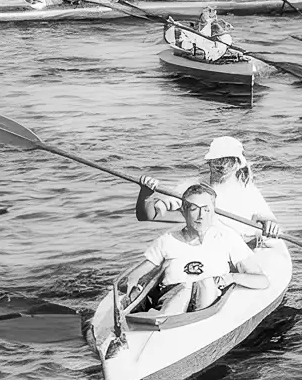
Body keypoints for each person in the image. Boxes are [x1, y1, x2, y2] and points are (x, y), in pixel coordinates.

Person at [117, 183, 272, 318]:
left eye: (206, 209)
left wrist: (231, 277)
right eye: (194, 209)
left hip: (208, 301)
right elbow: (134, 276)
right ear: (183, 211)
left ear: (213, 212)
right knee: (184, 290)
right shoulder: (167, 241)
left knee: (206, 284)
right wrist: (126, 291)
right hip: (172, 297)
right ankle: (162, 319)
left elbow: (262, 281)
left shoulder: (227, 238)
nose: (201, 216)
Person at [138, 136, 285, 242]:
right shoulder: (192, 189)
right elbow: (147, 216)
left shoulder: (247, 190)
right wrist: (145, 196)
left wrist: (271, 226)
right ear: (209, 162)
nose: (221, 165)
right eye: (217, 160)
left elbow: (269, 219)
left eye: (227, 160)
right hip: (207, 250)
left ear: (237, 163)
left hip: (242, 250)